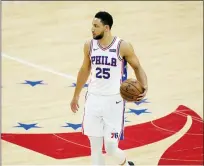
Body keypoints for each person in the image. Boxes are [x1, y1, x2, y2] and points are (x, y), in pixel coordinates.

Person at [70, 11, 148, 166]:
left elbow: (137, 67)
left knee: (111, 149)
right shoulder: (89, 45)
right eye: (92, 25)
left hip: (114, 102)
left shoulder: (122, 46)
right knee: (95, 148)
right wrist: (76, 95)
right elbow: (84, 70)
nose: (92, 29)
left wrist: (144, 87)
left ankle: (126, 164)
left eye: (95, 26)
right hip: (93, 99)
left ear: (106, 28)